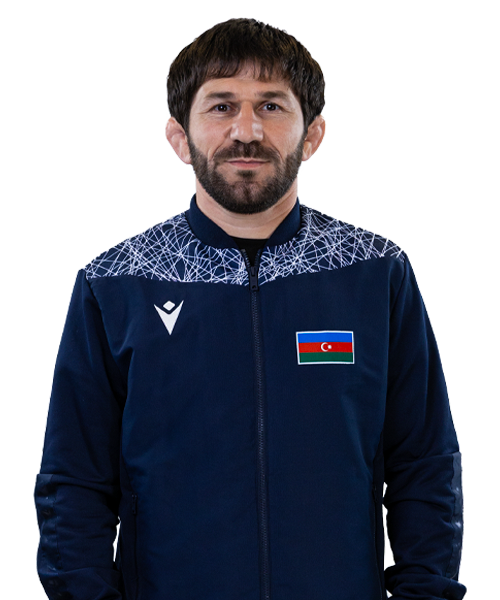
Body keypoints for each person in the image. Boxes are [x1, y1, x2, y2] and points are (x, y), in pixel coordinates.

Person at [35, 18, 466, 600]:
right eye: (221, 106)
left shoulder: (374, 272)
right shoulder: (116, 282)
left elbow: (425, 463)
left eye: (271, 105)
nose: (246, 130)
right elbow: (74, 481)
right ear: (179, 136)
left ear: (311, 134)